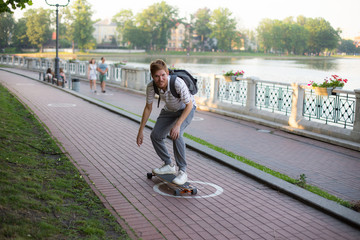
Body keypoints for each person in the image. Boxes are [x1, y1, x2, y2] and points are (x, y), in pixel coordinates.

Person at [136, 59, 196, 185]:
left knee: (176, 134)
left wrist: (178, 125)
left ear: (167, 73)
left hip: (186, 109)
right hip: (169, 110)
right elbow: (148, 108)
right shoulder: (151, 87)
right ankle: (168, 164)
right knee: (156, 135)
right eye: (157, 76)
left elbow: (189, 105)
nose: (160, 79)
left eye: (163, 75)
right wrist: (140, 131)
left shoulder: (177, 83)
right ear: (152, 76)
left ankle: (183, 171)